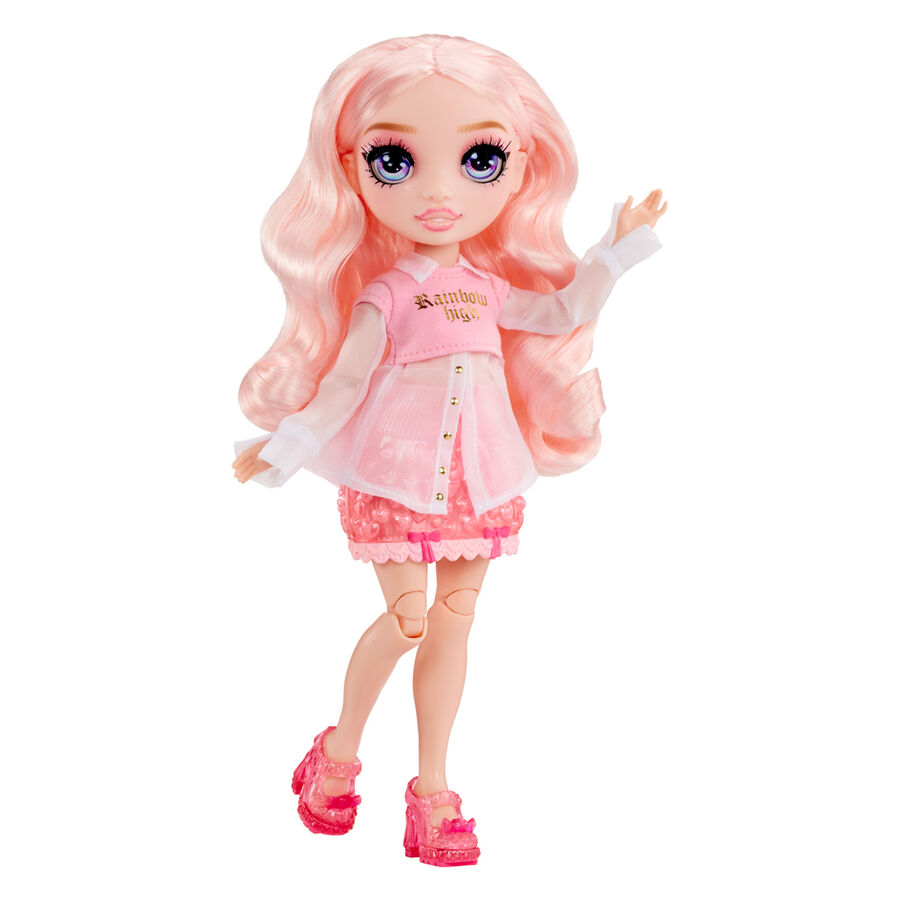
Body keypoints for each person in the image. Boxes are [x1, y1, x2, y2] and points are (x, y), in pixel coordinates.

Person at [233, 34, 666, 867]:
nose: (438, 192)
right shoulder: (388, 293)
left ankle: (432, 789)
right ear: (351, 168)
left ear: (520, 167)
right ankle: (338, 753)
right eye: (394, 161)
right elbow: (347, 380)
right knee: (407, 621)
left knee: (456, 624)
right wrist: (291, 442)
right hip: (396, 478)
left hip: (481, 477)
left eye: (478, 160)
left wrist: (614, 253)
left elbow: (561, 312)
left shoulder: (489, 287)